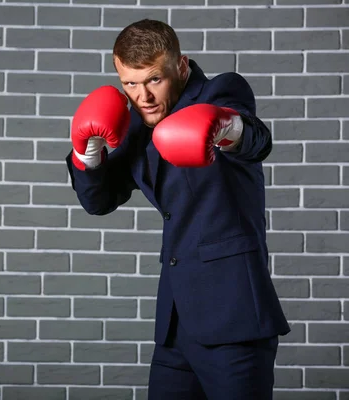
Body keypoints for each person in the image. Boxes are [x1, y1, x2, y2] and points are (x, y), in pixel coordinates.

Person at [65, 19, 290, 400]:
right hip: (174, 326)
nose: (143, 96)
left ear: (181, 66)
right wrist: (88, 155)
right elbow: (97, 201)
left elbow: (256, 140)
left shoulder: (220, 92)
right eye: (130, 84)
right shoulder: (136, 124)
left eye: (154, 79)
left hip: (233, 318)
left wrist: (226, 127)